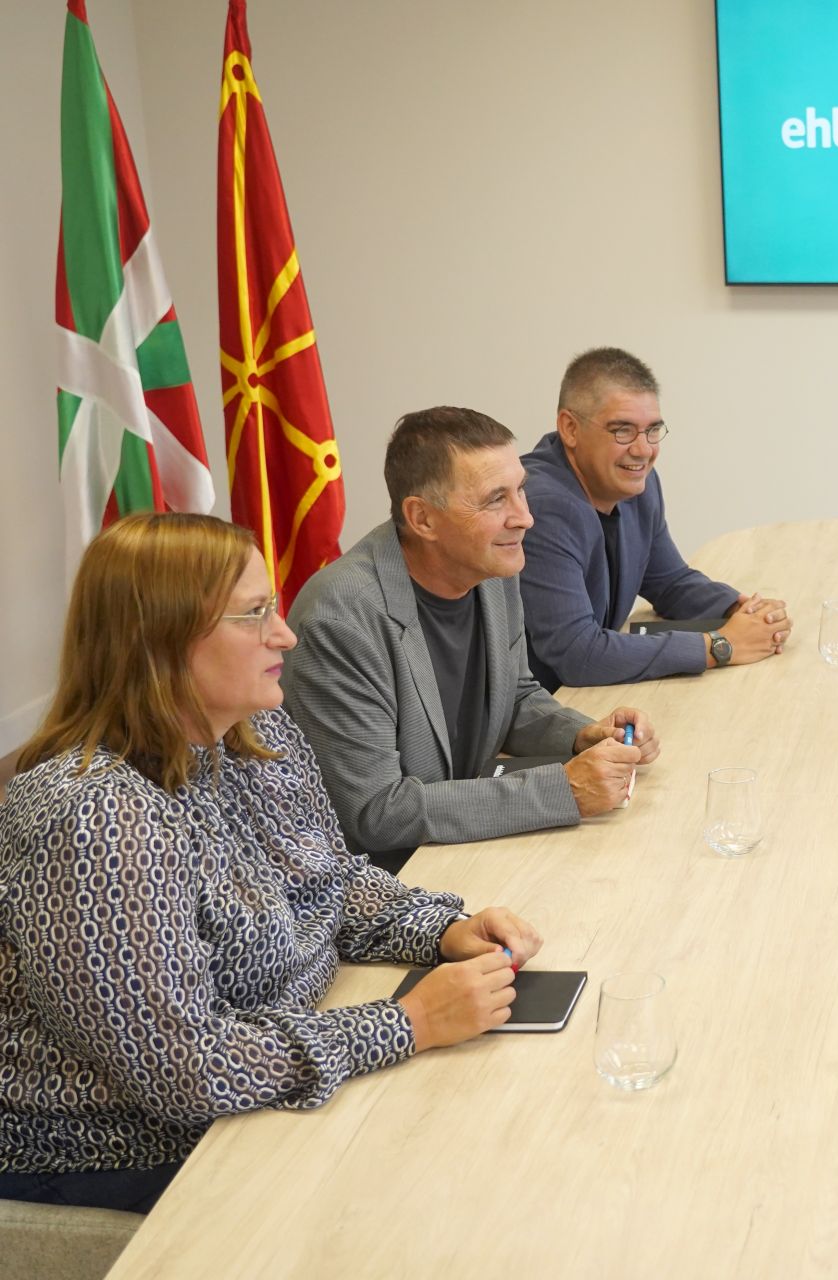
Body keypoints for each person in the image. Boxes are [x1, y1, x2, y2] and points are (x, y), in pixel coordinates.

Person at [0, 514, 541, 1215]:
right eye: (255, 615)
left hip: (262, 1076)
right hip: (122, 1149)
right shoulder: (98, 814)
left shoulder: (255, 734)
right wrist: (406, 1025)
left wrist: (439, 930)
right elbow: (181, 1071)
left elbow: (330, 883)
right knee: (425, 1192)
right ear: (162, 639)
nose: (284, 635)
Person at [281, 407, 658, 873]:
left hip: (462, 849)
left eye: (520, 489)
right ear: (422, 518)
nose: (524, 518)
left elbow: (514, 698)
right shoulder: (340, 619)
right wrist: (561, 790)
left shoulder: (491, 569)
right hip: (382, 890)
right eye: (495, 500)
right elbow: (376, 813)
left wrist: (582, 736)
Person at [519, 347, 788, 690]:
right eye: (623, 431)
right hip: (536, 720)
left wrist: (744, 610)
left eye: (652, 430)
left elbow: (669, 582)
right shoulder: (543, 506)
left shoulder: (635, 485)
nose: (643, 450)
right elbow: (578, 655)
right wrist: (720, 646)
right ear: (570, 428)